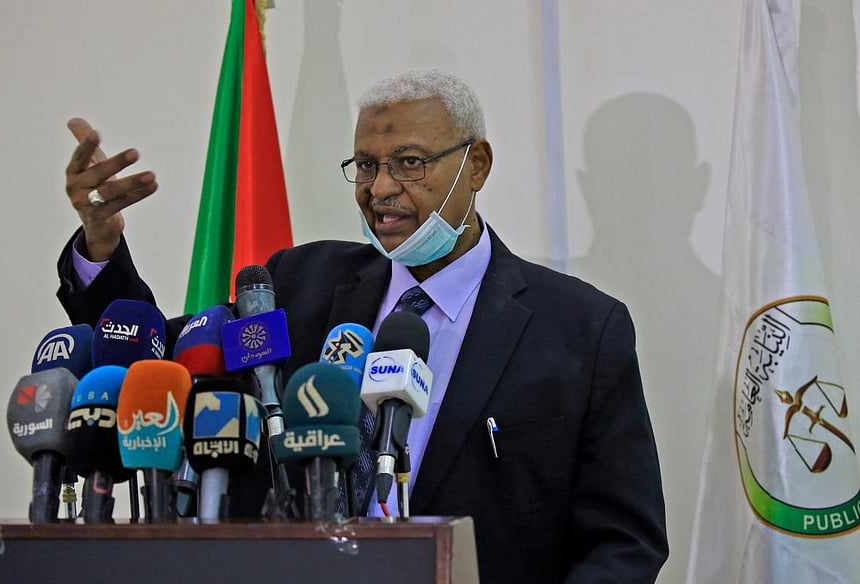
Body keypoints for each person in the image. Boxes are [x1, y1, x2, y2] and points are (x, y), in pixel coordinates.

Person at [56, 69, 668, 582]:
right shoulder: (295, 285)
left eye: (408, 163)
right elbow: (160, 361)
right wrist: (101, 248)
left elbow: (624, 542)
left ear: (475, 166)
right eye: (366, 165)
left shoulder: (581, 329)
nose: (379, 190)